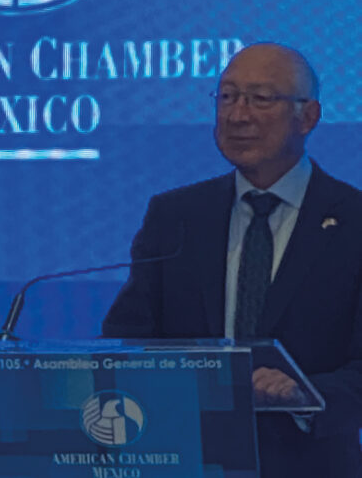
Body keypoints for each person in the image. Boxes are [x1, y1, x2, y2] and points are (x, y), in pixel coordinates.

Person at [102, 43, 362, 478]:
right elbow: (128, 340)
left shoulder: (354, 221)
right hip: (186, 461)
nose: (238, 115)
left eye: (260, 98)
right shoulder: (176, 216)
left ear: (308, 117)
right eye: (227, 97)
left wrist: (306, 394)